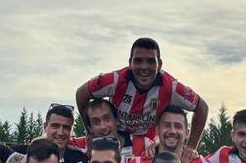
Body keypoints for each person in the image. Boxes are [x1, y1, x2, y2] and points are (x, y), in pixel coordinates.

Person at [76, 37, 210, 153]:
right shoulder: (114, 80)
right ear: (130, 63)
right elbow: (81, 94)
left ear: (160, 64)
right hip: (117, 138)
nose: (144, 67)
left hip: (149, 144)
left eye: (151, 61)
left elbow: (202, 107)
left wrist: (190, 148)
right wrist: (89, 131)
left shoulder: (171, 87)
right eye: (138, 61)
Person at [123, 106, 207, 163]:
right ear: (157, 130)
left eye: (178, 126)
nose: (172, 131)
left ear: (187, 133)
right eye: (166, 125)